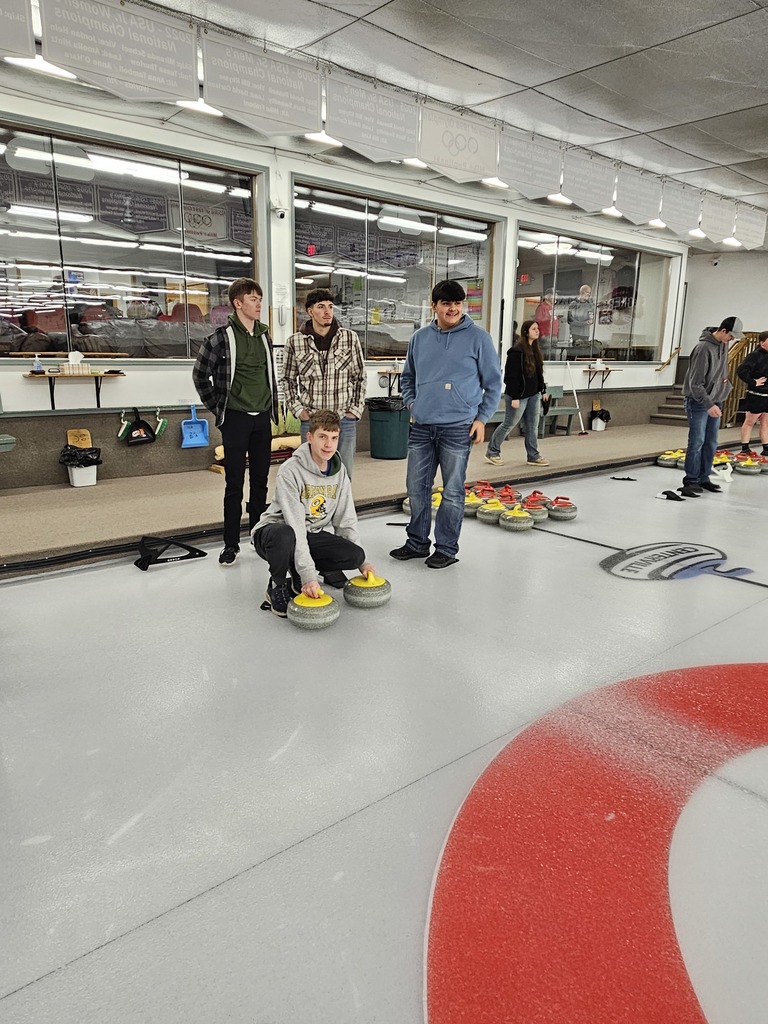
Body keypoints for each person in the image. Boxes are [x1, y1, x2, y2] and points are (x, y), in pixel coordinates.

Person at [390, 279, 502, 569]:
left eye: (457, 303)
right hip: (422, 426)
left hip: (458, 427)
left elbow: (493, 384)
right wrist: (413, 404)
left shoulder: (479, 338)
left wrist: (482, 419)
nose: (453, 308)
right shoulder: (420, 338)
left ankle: (447, 548)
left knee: (452, 491)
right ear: (434, 306)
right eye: (446, 303)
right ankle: (416, 543)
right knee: (416, 488)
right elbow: (408, 377)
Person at [251, 409, 375, 617]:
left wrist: (362, 563)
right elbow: (295, 524)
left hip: (308, 534)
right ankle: (277, 583)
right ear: (310, 438)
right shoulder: (290, 470)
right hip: (274, 534)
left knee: (354, 555)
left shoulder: (339, 471)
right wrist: (309, 575)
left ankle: (297, 574)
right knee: (285, 535)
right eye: (322, 437)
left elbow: (346, 519)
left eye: (334, 438)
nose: (329, 445)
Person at [192, 277, 278, 565]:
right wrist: (219, 408)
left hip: (262, 417)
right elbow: (200, 375)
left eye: (260, 299)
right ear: (237, 303)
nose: (258, 304)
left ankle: (258, 535)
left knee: (261, 481)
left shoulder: (265, 336)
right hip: (236, 419)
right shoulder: (220, 338)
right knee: (234, 483)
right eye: (253, 299)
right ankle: (231, 543)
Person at [282, 288, 366, 478]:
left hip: (343, 419)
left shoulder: (349, 338)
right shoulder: (295, 342)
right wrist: (298, 410)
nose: (327, 311)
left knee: (344, 474)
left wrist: (354, 410)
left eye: (330, 306)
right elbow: (287, 379)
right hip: (312, 419)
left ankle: (341, 509)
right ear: (310, 311)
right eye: (321, 307)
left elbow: (359, 377)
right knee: (310, 474)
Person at [680, 316, 741, 497]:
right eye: (731, 336)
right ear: (723, 331)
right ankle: (690, 480)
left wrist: (723, 389)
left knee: (711, 441)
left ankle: (703, 478)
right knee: (697, 441)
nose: (733, 339)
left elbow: (720, 372)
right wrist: (708, 404)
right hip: (698, 402)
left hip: (715, 399)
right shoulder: (703, 348)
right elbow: (695, 383)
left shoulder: (723, 344)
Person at [485, 319, 549, 467]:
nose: (537, 331)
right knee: (509, 423)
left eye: (538, 329)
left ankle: (533, 455)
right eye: (534, 329)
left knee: (533, 426)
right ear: (526, 332)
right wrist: (514, 396)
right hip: (518, 395)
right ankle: (492, 451)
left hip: (533, 394)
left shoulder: (536, 351)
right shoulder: (516, 352)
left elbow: (539, 373)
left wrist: (543, 390)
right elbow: (510, 376)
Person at [736, 330, 768, 455]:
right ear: (762, 342)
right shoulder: (755, 355)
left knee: (765, 421)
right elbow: (741, 370)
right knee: (750, 421)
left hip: (767, 394)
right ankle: (745, 447)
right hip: (756, 394)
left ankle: (765, 447)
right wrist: (753, 382)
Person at [567, 285, 594, 355]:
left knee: (584, 354)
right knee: (574, 353)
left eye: (590, 293)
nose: (589, 294)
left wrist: (591, 321)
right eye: (588, 292)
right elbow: (570, 320)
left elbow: (592, 317)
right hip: (576, 334)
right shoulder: (573, 304)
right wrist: (583, 323)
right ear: (582, 292)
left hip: (586, 334)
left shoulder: (589, 305)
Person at [534, 289, 559, 359]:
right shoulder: (542, 307)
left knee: (552, 357)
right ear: (548, 296)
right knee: (546, 356)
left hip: (553, 335)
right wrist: (542, 334)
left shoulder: (552, 307)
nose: (556, 297)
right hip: (546, 335)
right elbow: (538, 322)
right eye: (554, 295)